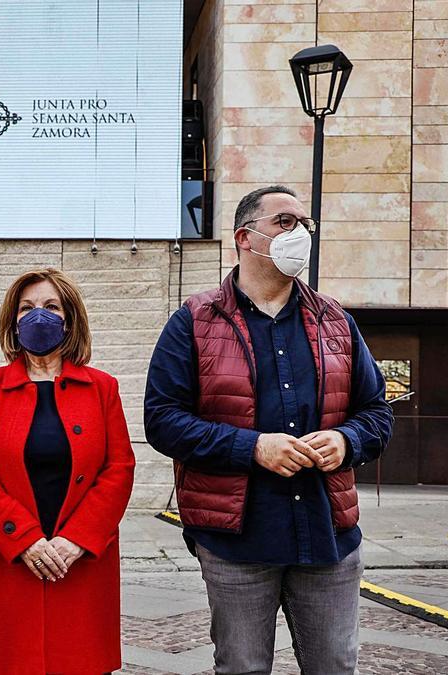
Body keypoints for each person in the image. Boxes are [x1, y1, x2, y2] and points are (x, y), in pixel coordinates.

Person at [144, 185, 394, 674]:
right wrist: (253, 448)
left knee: (335, 668)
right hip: (238, 541)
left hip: (327, 537)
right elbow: (163, 420)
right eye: (285, 222)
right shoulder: (193, 322)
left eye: (306, 224)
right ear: (245, 237)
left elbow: (377, 413)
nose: (299, 232)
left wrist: (347, 440)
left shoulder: (335, 321)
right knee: (242, 669)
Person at [0, 268, 135, 675]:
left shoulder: (102, 388)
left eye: (51, 306)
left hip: (81, 564)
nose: (39, 316)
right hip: (8, 561)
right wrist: (24, 539)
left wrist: (77, 539)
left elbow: (119, 468)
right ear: (13, 320)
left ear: (69, 318)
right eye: (27, 308)